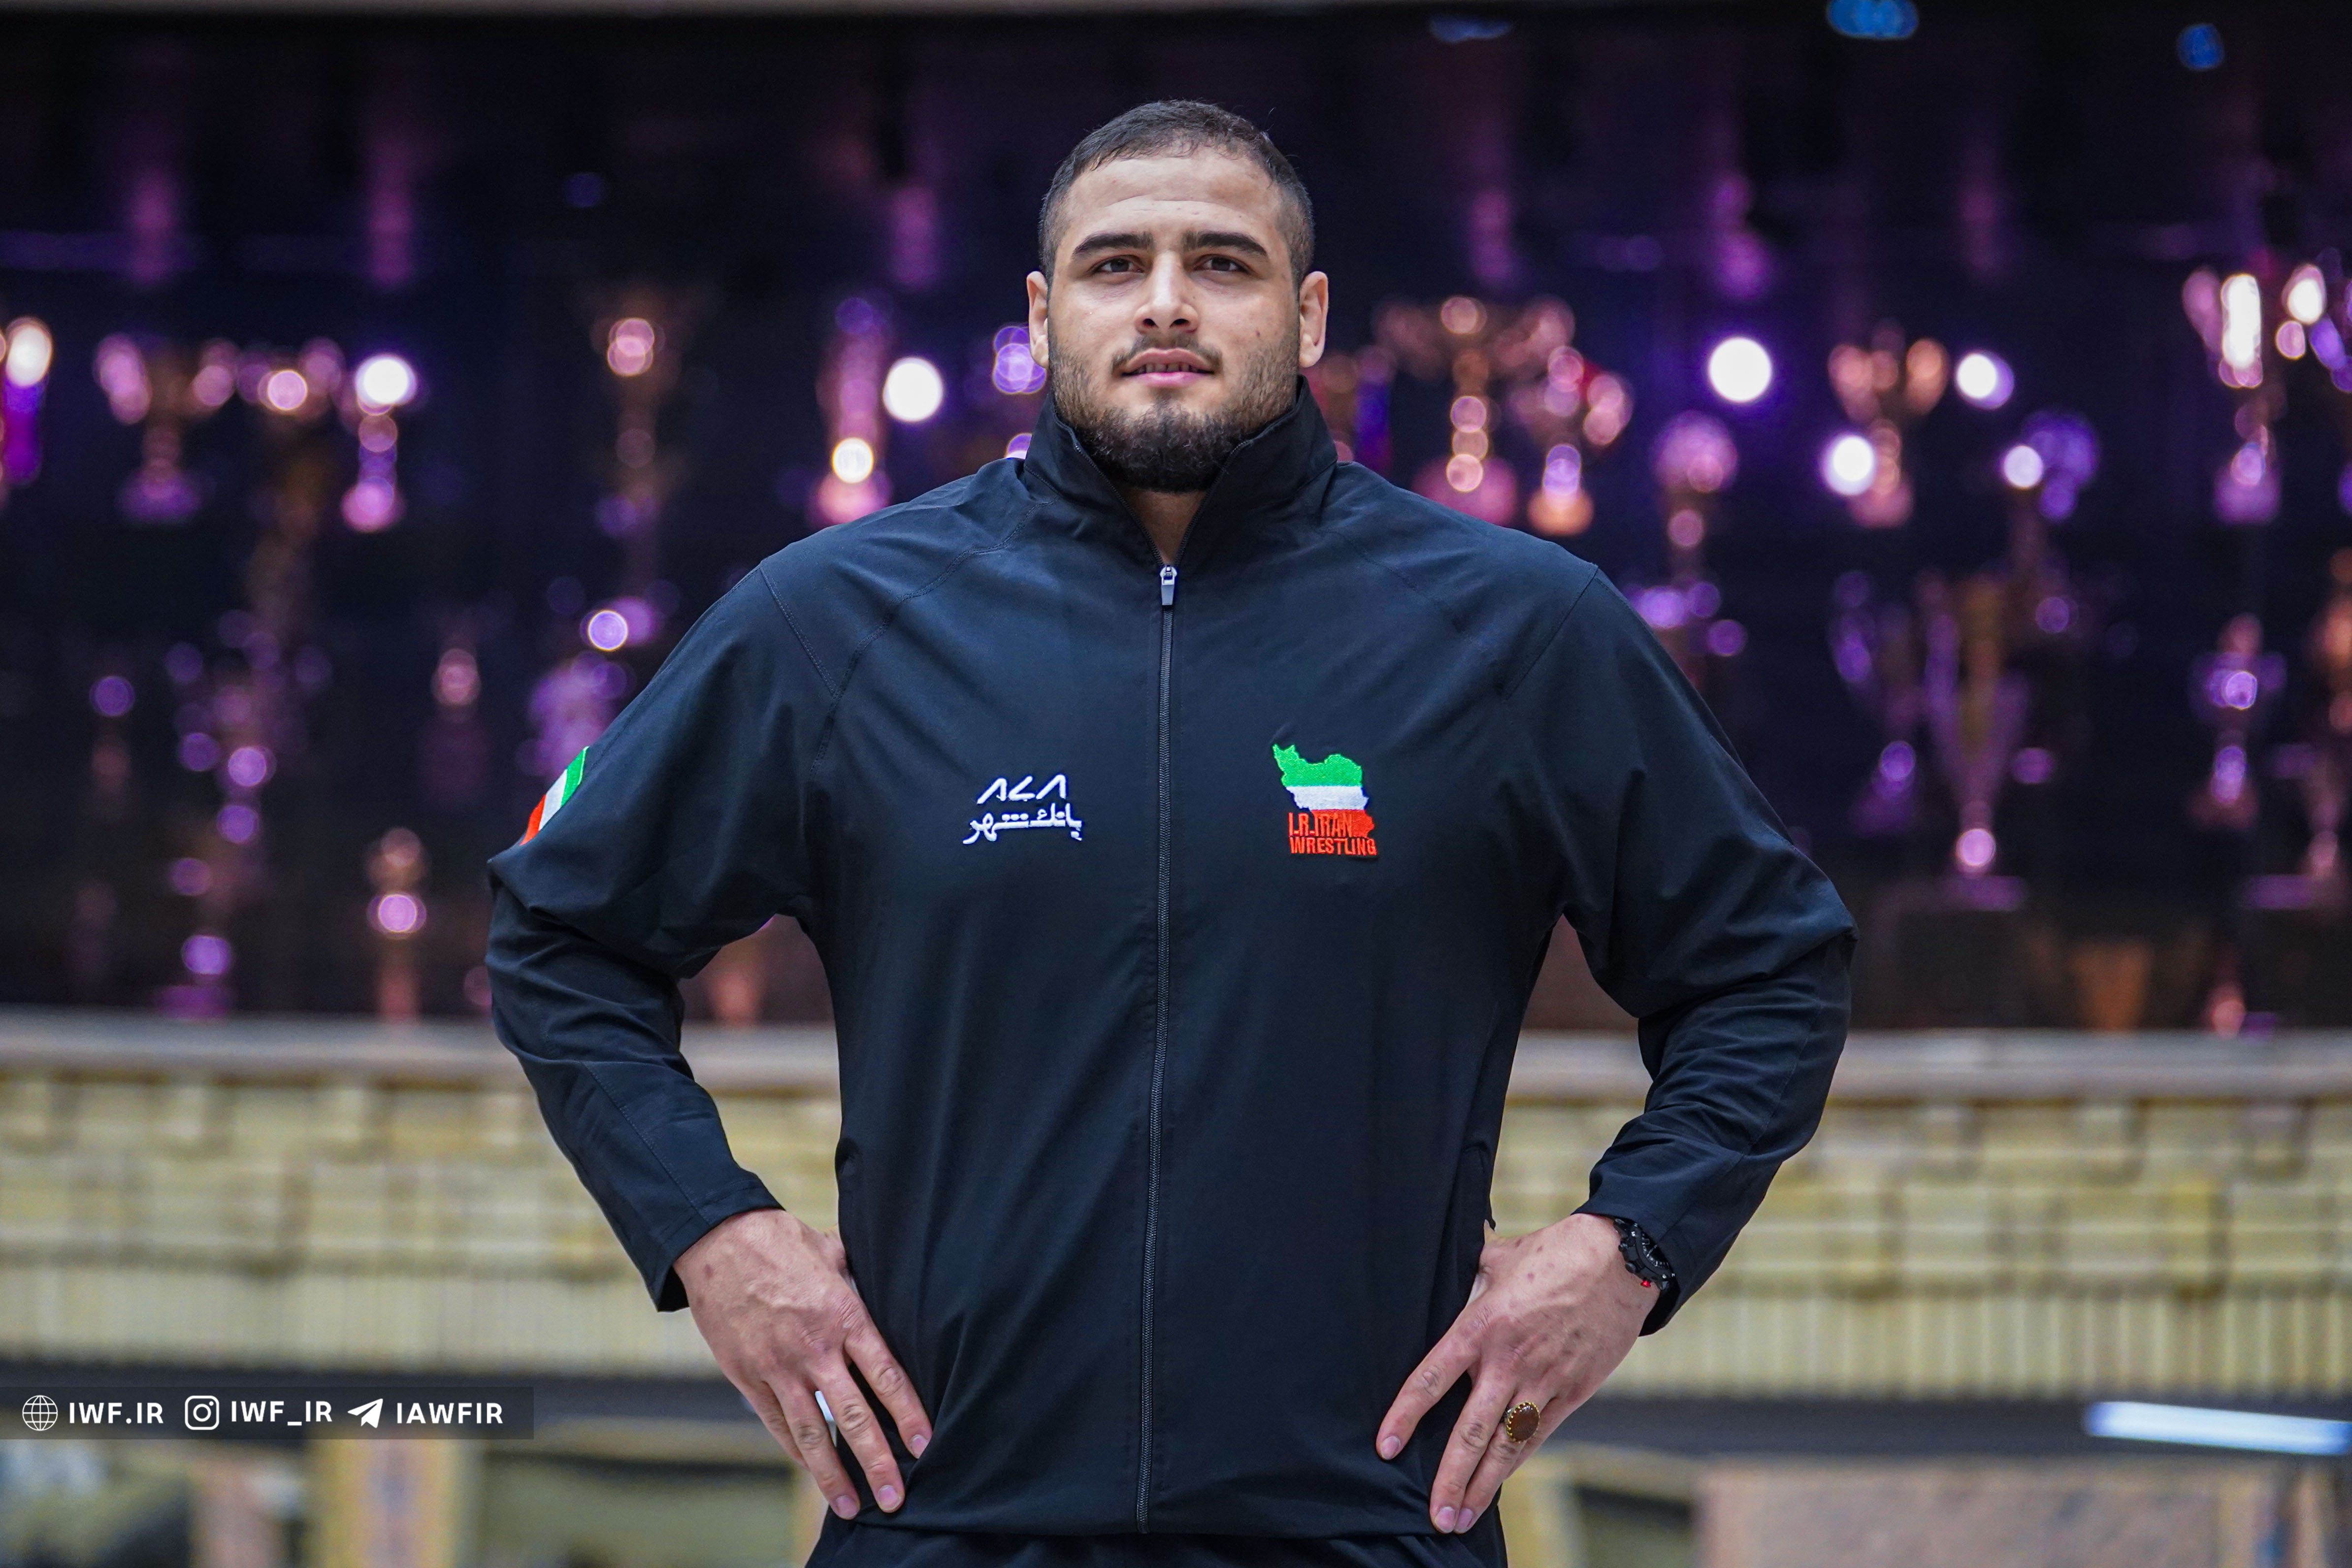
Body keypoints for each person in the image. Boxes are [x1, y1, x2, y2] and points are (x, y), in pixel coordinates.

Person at [486, 100, 1854, 1568]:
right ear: (1043, 315)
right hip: (944, 1523)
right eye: (1114, 263)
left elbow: (1768, 968)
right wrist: (712, 1233)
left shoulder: (1515, 632)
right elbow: (563, 937)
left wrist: (1627, 1249)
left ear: (1309, 314)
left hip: (1365, 1529)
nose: (1164, 303)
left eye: (1222, 262)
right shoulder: (839, 625)